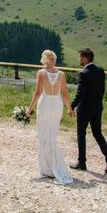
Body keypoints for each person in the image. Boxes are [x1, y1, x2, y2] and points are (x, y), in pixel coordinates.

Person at [26, 49, 74, 185]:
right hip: (57, 105)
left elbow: (37, 93)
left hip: (45, 104)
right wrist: (69, 109)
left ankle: (47, 169)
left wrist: (29, 109)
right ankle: (54, 168)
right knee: (52, 136)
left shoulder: (41, 73)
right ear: (54, 59)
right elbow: (64, 94)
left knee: (43, 135)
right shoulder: (61, 74)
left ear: (44, 59)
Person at [70, 48, 107, 174]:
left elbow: (80, 94)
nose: (79, 59)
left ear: (85, 58)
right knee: (98, 134)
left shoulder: (84, 73)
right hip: (97, 108)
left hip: (84, 109)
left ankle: (82, 163)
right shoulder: (101, 71)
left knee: (81, 134)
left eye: (80, 57)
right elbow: (102, 90)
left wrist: (71, 106)